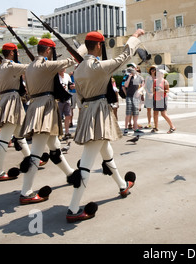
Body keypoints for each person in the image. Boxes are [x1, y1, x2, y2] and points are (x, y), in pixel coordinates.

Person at [66, 30, 144, 222]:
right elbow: (124, 56)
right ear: (99, 46)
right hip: (99, 114)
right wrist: (134, 37)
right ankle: (73, 209)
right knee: (86, 162)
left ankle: (122, 185)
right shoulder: (98, 66)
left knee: (107, 153)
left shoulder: (78, 69)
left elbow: (79, 96)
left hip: (86, 111)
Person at [17, 38, 76, 204]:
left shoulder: (28, 67)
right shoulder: (46, 65)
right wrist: (81, 49)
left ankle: (70, 174)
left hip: (36, 106)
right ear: (49, 50)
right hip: (45, 109)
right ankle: (26, 192)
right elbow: (71, 61)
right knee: (36, 152)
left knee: (54, 148)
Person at [0, 43, 30, 182]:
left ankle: (30, 160)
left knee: (20, 135)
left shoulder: (0, 68)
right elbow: (31, 68)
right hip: (12, 102)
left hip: (7, 100)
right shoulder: (11, 66)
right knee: (4, 140)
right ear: (12, 53)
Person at [152, 69, 176, 134]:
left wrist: (161, 91)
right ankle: (156, 127)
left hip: (162, 99)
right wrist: (154, 91)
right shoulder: (155, 81)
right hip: (156, 98)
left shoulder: (165, 81)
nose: (159, 75)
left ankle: (172, 127)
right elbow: (153, 91)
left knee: (163, 114)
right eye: (158, 73)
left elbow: (167, 91)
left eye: (160, 73)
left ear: (163, 75)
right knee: (155, 113)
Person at [124, 63, 144, 135]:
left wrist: (139, 91)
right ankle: (126, 128)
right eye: (130, 68)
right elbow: (126, 85)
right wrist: (129, 77)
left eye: (133, 67)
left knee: (136, 113)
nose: (131, 69)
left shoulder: (140, 77)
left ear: (136, 68)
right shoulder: (128, 76)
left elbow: (142, 86)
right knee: (128, 113)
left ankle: (135, 128)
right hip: (129, 96)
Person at [58, 68, 75, 140]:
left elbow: (69, 84)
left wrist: (71, 86)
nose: (62, 70)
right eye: (60, 69)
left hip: (67, 98)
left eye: (63, 68)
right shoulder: (56, 76)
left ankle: (67, 132)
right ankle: (59, 133)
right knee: (58, 117)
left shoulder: (67, 76)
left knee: (68, 115)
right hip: (59, 99)